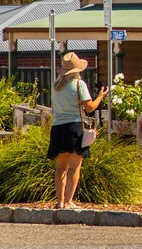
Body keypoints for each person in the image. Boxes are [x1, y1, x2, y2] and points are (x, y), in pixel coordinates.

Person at [46, 52, 107, 209]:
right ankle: (68, 201)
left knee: (60, 168)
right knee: (74, 166)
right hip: (74, 127)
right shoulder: (79, 85)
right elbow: (90, 108)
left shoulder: (56, 85)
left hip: (57, 128)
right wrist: (100, 96)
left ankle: (60, 202)